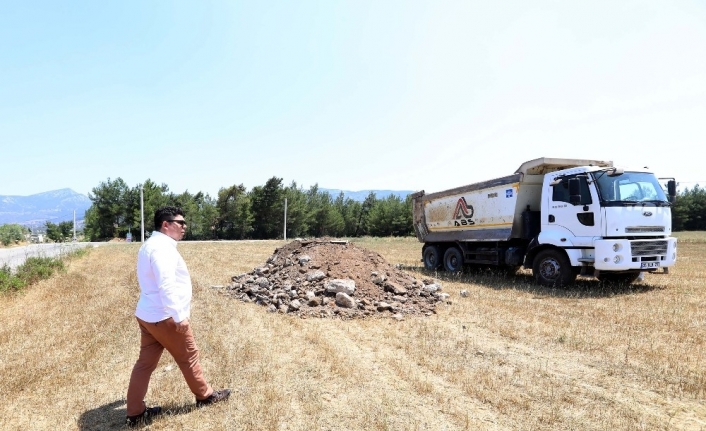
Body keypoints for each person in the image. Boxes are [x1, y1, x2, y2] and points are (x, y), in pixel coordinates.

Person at [126, 206, 230, 427]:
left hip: (148, 314)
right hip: (165, 316)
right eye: (180, 223)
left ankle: (135, 413)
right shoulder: (161, 249)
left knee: (145, 363)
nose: (185, 227)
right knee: (189, 356)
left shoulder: (151, 245)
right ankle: (205, 396)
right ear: (166, 224)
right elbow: (166, 285)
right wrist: (179, 316)